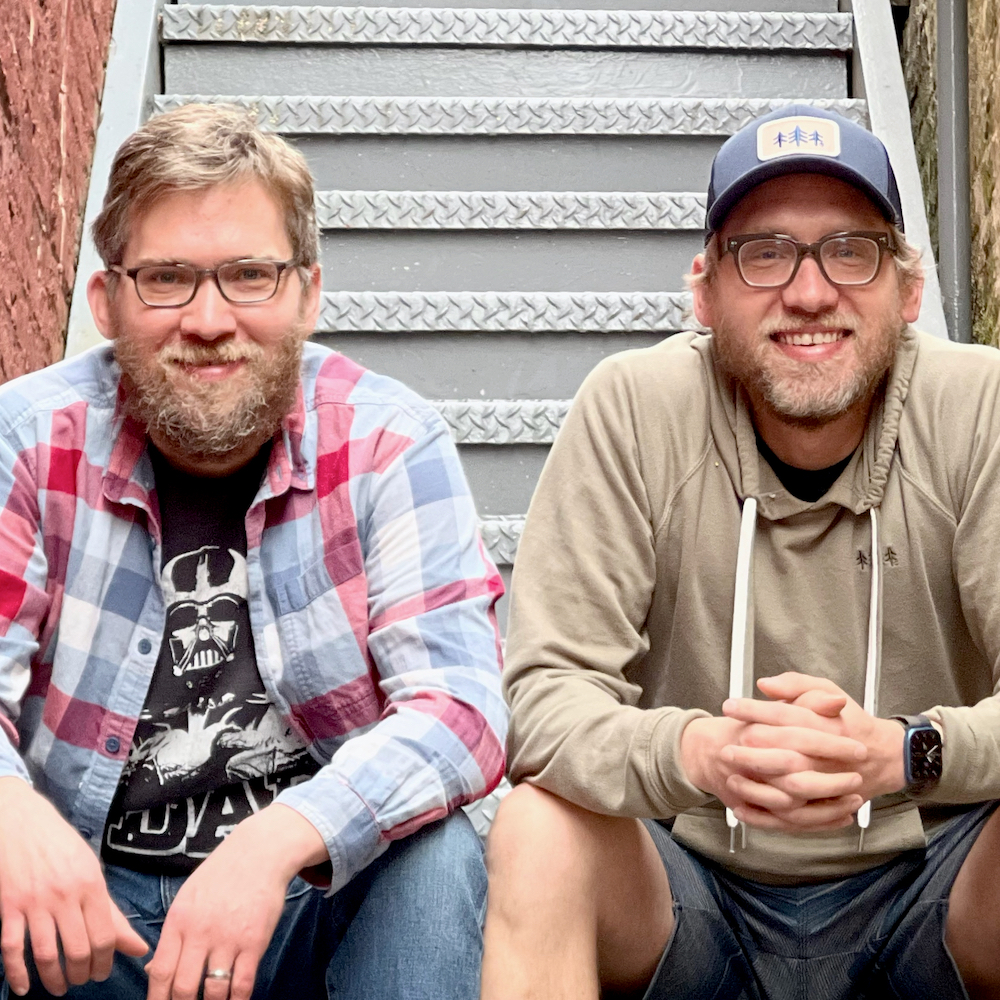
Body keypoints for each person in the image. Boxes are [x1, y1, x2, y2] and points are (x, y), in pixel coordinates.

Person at [482, 104, 1000, 1000]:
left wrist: (907, 753)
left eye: (851, 249)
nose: (808, 292)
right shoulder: (633, 407)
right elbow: (544, 705)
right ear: (704, 289)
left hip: (932, 886)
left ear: (909, 291)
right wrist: (701, 756)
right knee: (537, 830)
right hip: (693, 894)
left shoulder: (979, 406)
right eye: (765, 252)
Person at [0, 104, 506, 1000]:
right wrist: (9, 815)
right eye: (166, 279)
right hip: (81, 919)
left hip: (298, 907)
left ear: (308, 293)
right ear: (106, 301)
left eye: (249, 276)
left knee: (438, 856)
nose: (209, 318)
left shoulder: (389, 441)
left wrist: (272, 845)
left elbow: (461, 708)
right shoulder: (29, 440)